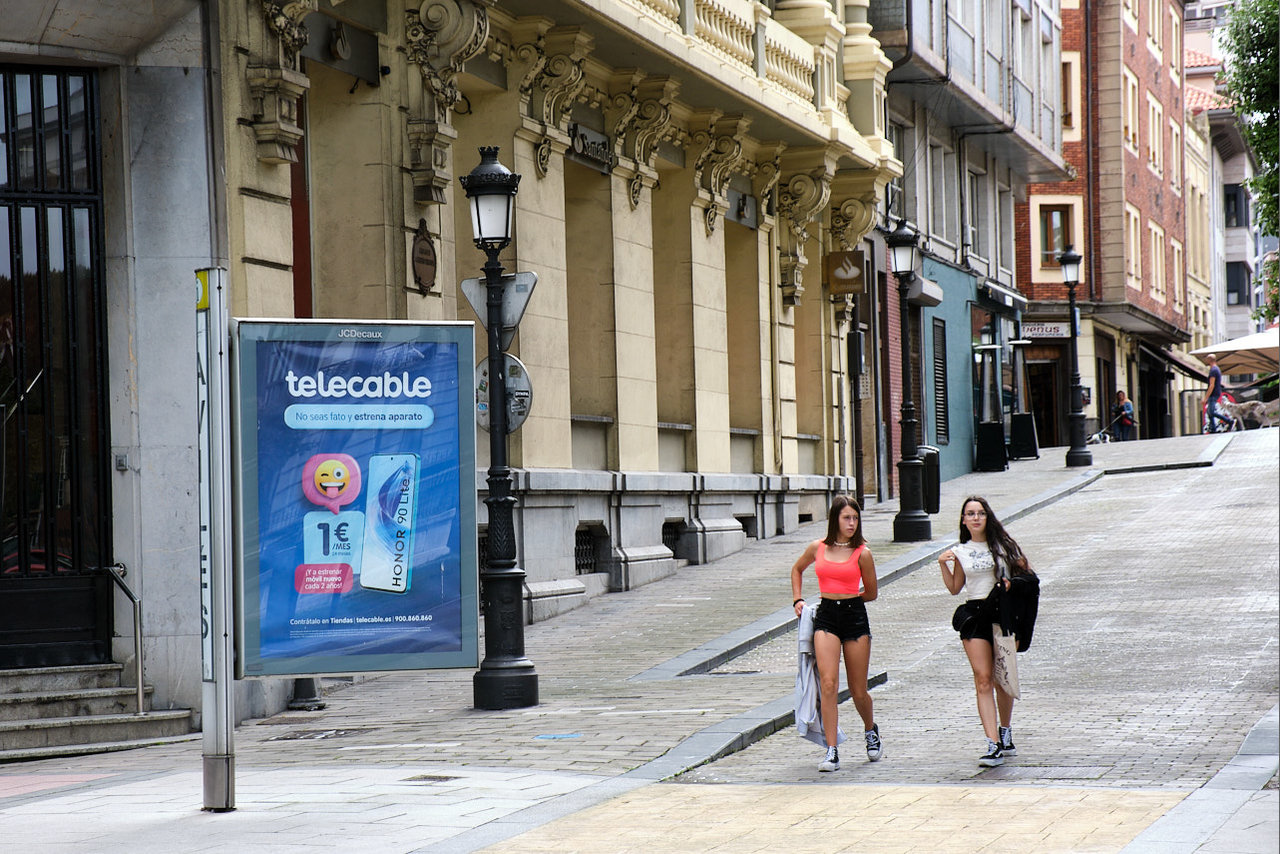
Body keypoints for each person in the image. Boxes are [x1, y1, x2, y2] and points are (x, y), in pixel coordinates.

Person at [937, 496, 1038, 768]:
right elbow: (955, 587)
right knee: (982, 678)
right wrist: (943, 564)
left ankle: (1005, 730)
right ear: (963, 519)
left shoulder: (1004, 547)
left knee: (1001, 676)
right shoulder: (961, 550)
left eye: (980, 513)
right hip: (975, 615)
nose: (976, 518)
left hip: (1002, 613)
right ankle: (992, 743)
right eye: (970, 514)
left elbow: (1028, 579)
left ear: (987, 517)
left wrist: (1010, 587)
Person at [790, 495, 882, 771]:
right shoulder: (817, 547)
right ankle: (831, 749)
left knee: (858, 690)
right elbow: (796, 569)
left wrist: (848, 599)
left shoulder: (862, 552)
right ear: (835, 520)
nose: (852, 523)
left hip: (854, 616)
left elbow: (872, 592)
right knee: (827, 684)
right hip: (826, 615)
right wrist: (798, 600)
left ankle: (870, 728)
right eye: (846, 518)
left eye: (855, 518)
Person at [1202, 354, 1232, 432]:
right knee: (1209, 412)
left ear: (1209, 360)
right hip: (1216, 392)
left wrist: (1205, 398)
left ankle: (1228, 421)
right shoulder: (1216, 369)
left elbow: (1211, 385)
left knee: (1211, 411)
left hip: (1213, 393)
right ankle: (1213, 428)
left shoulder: (1213, 370)